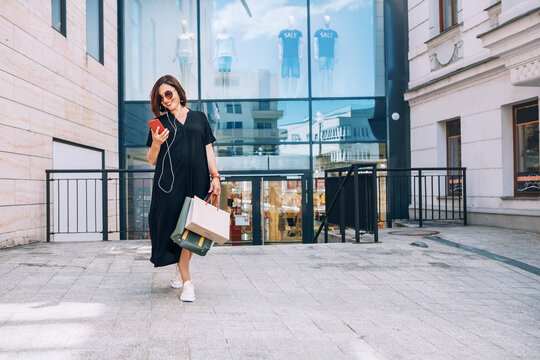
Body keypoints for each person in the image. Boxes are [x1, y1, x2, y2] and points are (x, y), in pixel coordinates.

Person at [146, 75, 221, 302]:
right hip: (169, 185)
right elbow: (151, 160)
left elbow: (208, 149)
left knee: (190, 229)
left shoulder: (199, 118)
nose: (166, 100)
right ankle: (188, 283)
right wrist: (157, 143)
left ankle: (181, 273)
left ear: (178, 91)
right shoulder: (161, 125)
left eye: (168, 94)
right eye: (161, 98)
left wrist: (215, 176)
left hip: (196, 181)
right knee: (175, 230)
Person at [278, 16, 302, 97]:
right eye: (290, 20)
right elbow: (280, 44)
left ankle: (294, 94)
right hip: (285, 57)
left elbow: (300, 44)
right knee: (285, 77)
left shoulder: (298, 33)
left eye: (293, 20)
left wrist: (300, 54)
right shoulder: (282, 33)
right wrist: (280, 55)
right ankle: (285, 94)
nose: (292, 22)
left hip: (295, 57)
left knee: (294, 76)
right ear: (288, 21)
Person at [314, 15, 338, 95]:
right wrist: (316, 55)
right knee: (322, 76)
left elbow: (336, 45)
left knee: (330, 75)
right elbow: (315, 44)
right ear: (324, 21)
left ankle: (329, 93)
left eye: (329, 20)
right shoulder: (318, 33)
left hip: (331, 56)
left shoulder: (334, 33)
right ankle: (321, 93)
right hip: (322, 56)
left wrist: (336, 56)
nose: (327, 21)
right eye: (326, 20)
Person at [173, 20, 196, 93]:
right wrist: (175, 56)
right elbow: (177, 46)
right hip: (181, 55)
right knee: (183, 75)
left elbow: (194, 45)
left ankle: (188, 91)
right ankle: (183, 91)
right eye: (182, 24)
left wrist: (195, 53)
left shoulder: (191, 35)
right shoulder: (179, 36)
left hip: (189, 55)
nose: (183, 26)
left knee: (188, 74)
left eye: (185, 24)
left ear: (187, 25)